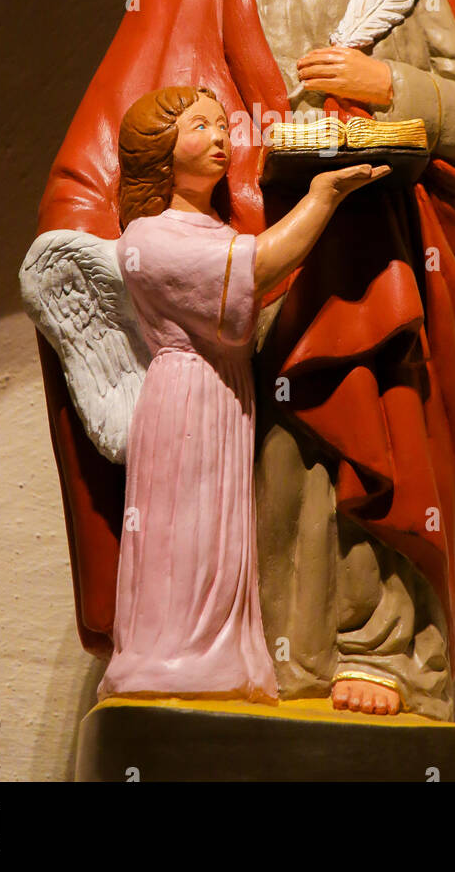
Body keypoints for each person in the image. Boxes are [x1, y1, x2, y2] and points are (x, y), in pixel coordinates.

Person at [34, 0, 455, 720]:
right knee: (245, 471)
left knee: (371, 433)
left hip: (372, 261)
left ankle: (377, 644)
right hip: (233, 289)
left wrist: (388, 84)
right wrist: (84, 237)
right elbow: (113, 149)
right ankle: (230, 647)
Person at [97, 84, 389, 703]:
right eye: (199, 129)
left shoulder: (210, 228)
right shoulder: (149, 237)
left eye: (223, 128)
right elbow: (259, 265)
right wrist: (323, 196)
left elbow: (261, 282)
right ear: (160, 151)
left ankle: (222, 658)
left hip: (225, 393)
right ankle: (167, 658)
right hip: (186, 396)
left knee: (223, 534)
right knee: (185, 533)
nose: (221, 139)